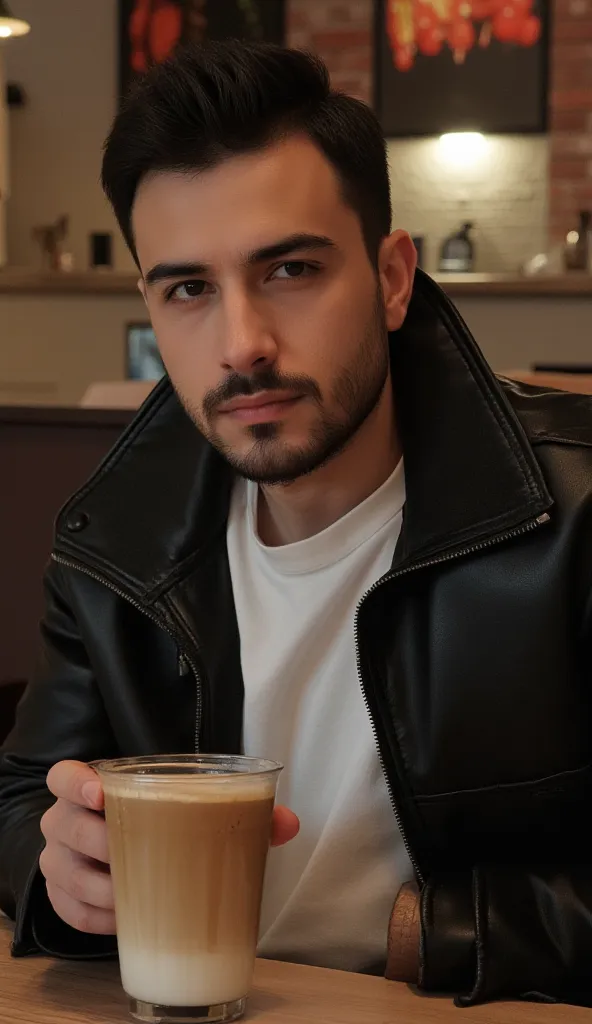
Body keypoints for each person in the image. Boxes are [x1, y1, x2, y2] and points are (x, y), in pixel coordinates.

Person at [1, 40, 592, 1008]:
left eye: (289, 269)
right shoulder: (113, 540)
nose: (241, 344)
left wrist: (417, 932)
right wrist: (58, 870)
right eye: (188, 289)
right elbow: (21, 796)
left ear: (393, 277)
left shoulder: (571, 510)